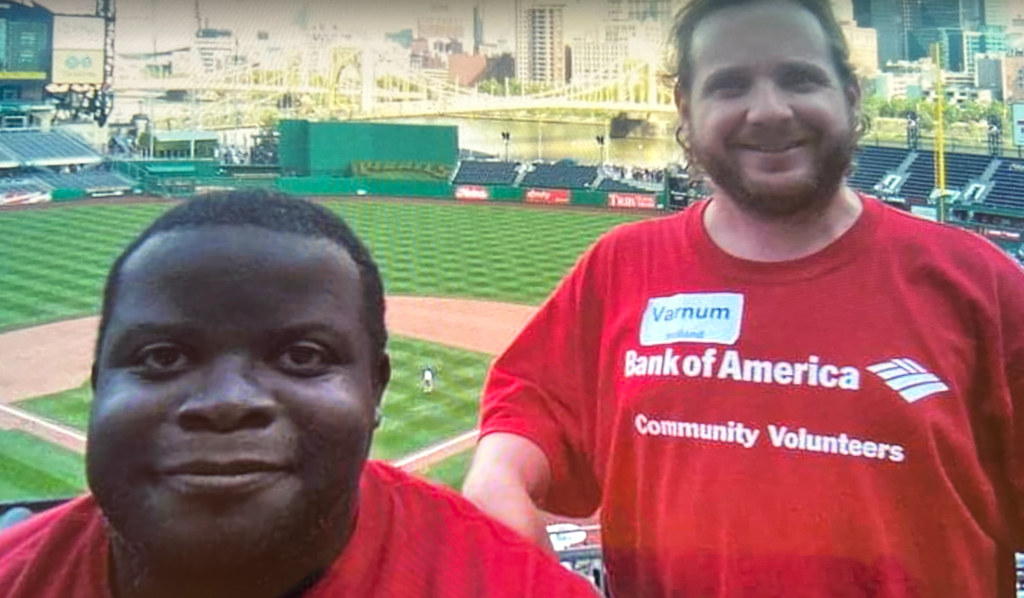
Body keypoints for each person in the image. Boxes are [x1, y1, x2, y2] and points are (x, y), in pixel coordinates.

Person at [462, 0, 1024, 596]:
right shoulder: (622, 268)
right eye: (730, 85)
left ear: (851, 95)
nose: (769, 110)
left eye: (799, 78)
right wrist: (497, 476)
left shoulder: (977, 284)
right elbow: (529, 407)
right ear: (686, 108)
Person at [0, 191, 599, 598]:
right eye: (162, 357)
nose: (226, 400)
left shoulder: (504, 583)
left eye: (303, 356)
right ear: (97, 380)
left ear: (374, 390)